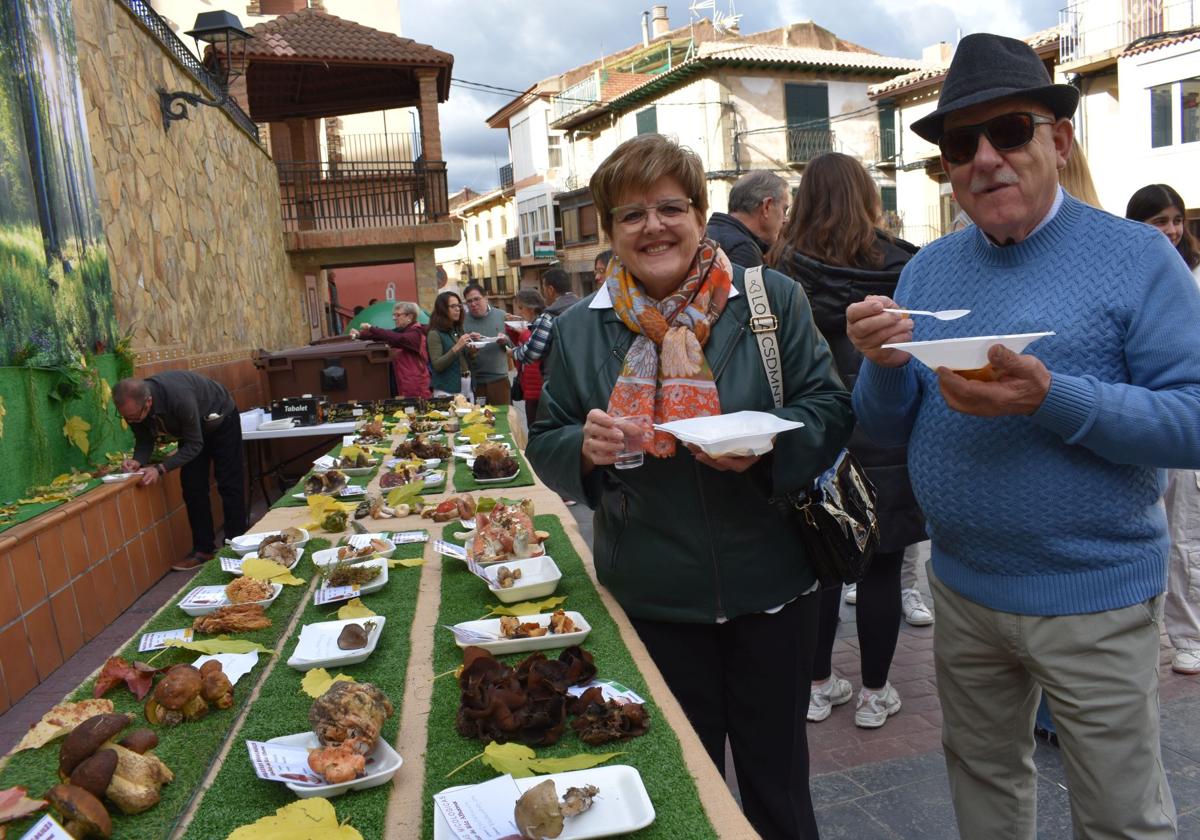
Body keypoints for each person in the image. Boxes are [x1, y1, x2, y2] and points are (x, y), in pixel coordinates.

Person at [847, 33, 1200, 839]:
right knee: (985, 795)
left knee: (1120, 816)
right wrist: (882, 363)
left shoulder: (1139, 256)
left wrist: (1053, 397)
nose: (984, 158)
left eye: (1009, 131)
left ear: (1058, 139)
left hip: (1095, 599)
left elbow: (1193, 420)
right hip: (965, 591)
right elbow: (883, 425)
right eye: (959, 145)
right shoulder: (928, 270)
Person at [527, 133, 853, 840]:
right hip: (651, 597)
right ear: (610, 232)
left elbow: (828, 410)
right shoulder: (579, 328)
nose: (653, 226)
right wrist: (582, 451)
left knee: (779, 792)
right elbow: (545, 436)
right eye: (631, 214)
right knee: (676, 791)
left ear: (701, 214)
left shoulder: (769, 300)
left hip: (771, 588)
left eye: (670, 206)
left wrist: (764, 447)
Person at [768, 152, 925, 729]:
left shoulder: (782, 273)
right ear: (867, 198)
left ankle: (817, 684)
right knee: (884, 569)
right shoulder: (903, 266)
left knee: (822, 565)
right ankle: (875, 694)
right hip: (888, 434)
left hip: (818, 436)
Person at [1127, 183, 1200, 678]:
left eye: (1176, 219)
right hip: (1144, 423)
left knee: (1186, 534)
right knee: (1153, 533)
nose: (1172, 230)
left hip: (1186, 421)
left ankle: (1188, 634)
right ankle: (1159, 636)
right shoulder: (1132, 275)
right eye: (1159, 221)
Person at [113, 373, 247, 572]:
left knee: (229, 483)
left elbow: (194, 445)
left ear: (148, 402)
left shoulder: (178, 397)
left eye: (133, 417)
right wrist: (138, 461)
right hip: (193, 428)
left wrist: (160, 468)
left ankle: (237, 545)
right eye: (126, 418)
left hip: (221, 419)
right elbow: (144, 440)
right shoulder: (137, 406)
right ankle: (203, 550)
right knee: (192, 486)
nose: (131, 422)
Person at [706, 170, 790, 268]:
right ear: (766, 207)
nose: (785, 219)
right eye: (784, 210)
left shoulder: (706, 234)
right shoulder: (743, 250)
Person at [350, 301, 431, 398]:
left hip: (416, 387)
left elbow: (397, 338)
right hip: (404, 384)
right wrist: (360, 334)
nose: (394, 319)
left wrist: (371, 328)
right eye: (393, 315)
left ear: (409, 317)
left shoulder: (416, 334)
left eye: (397, 315)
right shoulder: (402, 331)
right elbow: (385, 335)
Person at [462, 282, 511, 405]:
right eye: (469, 301)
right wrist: (471, 351)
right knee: (479, 421)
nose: (473, 304)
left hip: (499, 379)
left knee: (503, 419)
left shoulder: (501, 316)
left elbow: (514, 346)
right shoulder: (463, 321)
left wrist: (505, 341)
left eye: (476, 299)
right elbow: (461, 353)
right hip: (477, 382)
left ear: (486, 298)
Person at [505, 288, 547, 426]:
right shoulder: (536, 324)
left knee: (536, 429)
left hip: (537, 387)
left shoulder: (541, 323)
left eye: (521, 308)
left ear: (530, 307)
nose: (519, 312)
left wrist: (512, 353)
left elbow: (530, 352)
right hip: (533, 386)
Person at [426, 291, 474, 398]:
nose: (458, 309)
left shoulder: (458, 329)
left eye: (459, 306)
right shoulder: (434, 333)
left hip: (467, 385)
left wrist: (473, 351)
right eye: (453, 306)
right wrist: (457, 347)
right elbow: (437, 365)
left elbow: (464, 360)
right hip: (447, 389)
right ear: (442, 309)